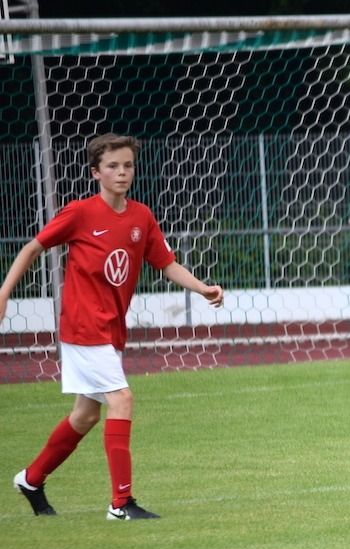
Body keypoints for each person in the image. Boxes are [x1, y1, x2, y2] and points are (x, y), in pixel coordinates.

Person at [0, 133, 224, 520]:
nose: (122, 172)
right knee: (122, 400)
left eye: (128, 165)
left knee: (86, 415)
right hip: (83, 328)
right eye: (112, 166)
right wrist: (4, 293)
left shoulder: (141, 217)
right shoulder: (80, 213)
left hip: (111, 330)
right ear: (95, 173)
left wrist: (202, 287)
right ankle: (121, 504)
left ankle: (31, 479)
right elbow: (32, 248)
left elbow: (166, 263)